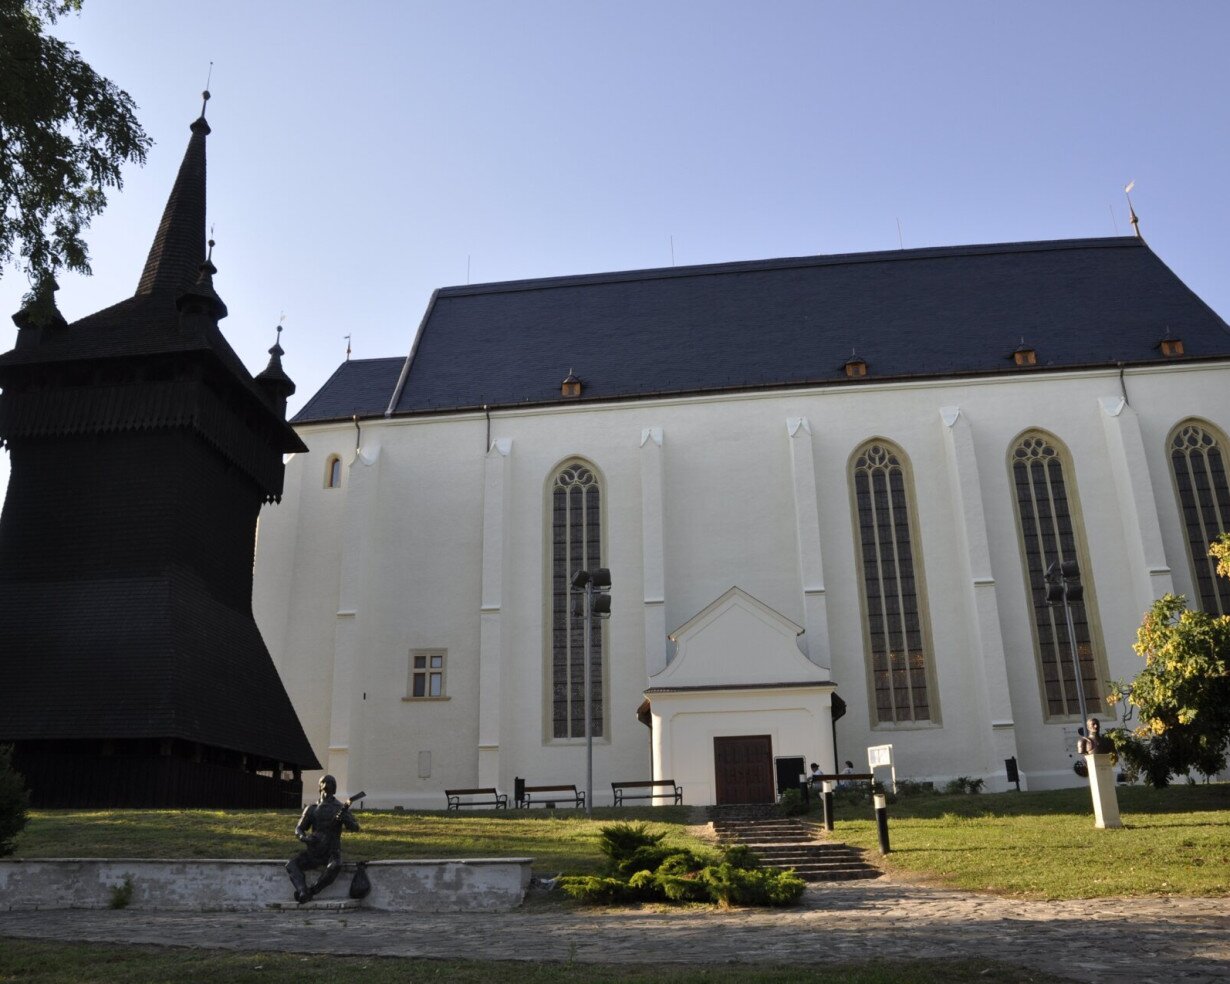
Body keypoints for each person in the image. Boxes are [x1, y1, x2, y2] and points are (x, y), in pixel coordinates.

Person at [286, 774, 361, 903]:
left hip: (331, 851)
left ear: (335, 788)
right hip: (314, 850)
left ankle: (312, 891)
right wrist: (304, 838)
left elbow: (355, 827)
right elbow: (299, 829)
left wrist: (345, 819)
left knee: (335, 866)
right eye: (324, 782)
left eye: (330, 783)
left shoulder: (340, 808)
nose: (327, 785)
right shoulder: (312, 809)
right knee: (291, 865)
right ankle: (302, 890)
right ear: (319, 787)